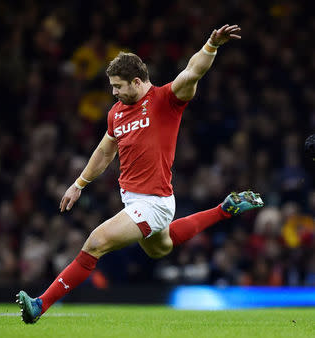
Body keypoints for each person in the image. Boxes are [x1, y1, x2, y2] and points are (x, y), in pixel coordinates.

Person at [16, 24, 264, 323]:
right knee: (161, 248)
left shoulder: (165, 100)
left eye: (118, 86)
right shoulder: (116, 112)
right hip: (135, 201)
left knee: (96, 242)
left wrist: (211, 44)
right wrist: (79, 184)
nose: (114, 92)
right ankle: (224, 210)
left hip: (153, 202)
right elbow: (105, 151)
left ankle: (39, 305)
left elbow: (192, 72)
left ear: (136, 81)